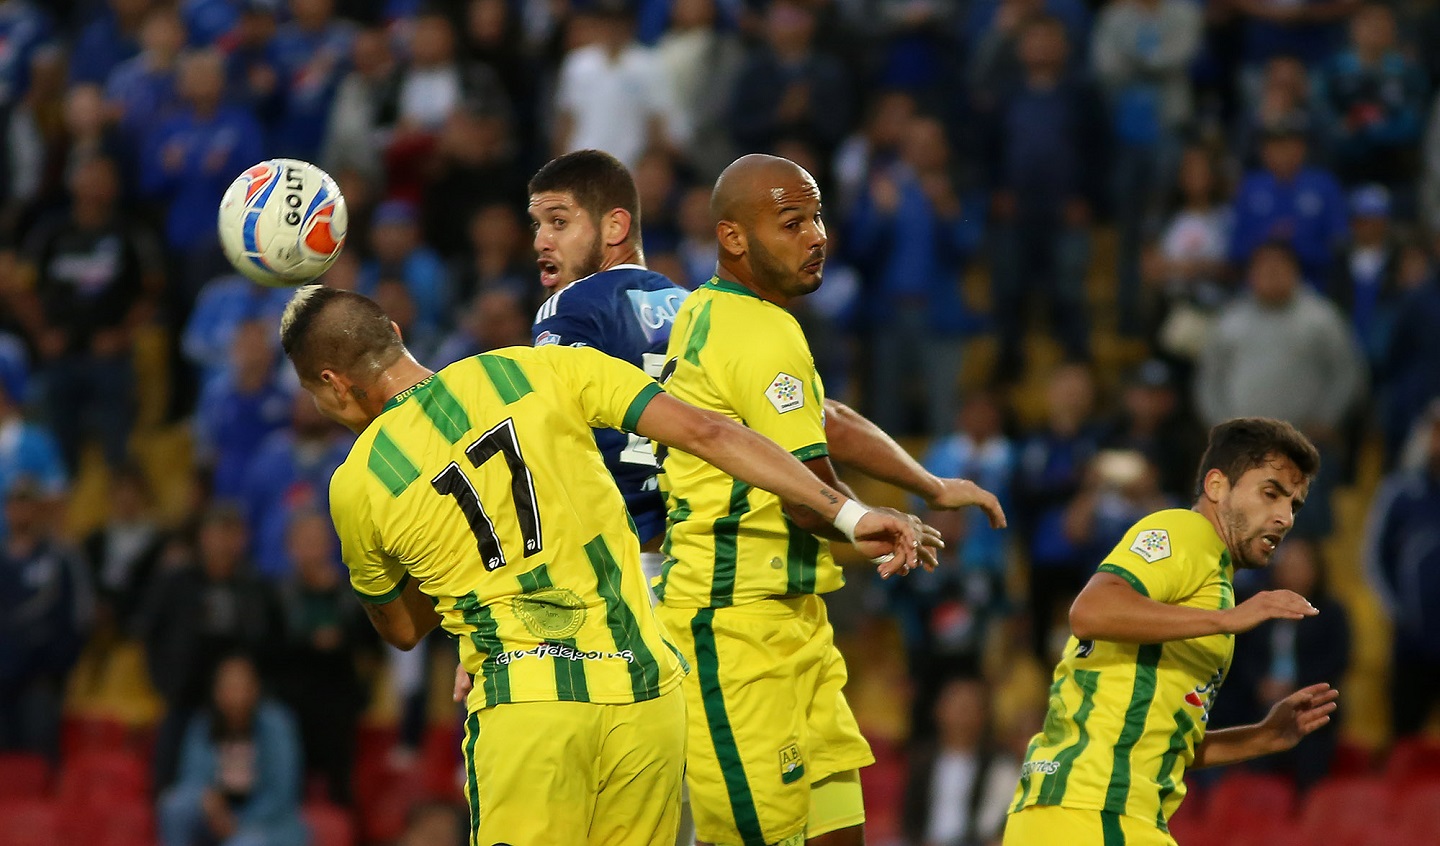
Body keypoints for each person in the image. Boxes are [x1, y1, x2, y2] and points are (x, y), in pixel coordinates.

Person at [278, 284, 934, 844]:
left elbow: (400, 629)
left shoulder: (358, 484)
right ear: (395, 331)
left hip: (527, 704)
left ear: (332, 385)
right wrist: (847, 514)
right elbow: (710, 433)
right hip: (645, 692)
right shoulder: (536, 369)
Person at [654, 154, 1005, 846]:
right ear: (732, 237)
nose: (817, 236)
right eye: (792, 222)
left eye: (817, 217)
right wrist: (878, 523)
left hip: (794, 630)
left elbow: (824, 417)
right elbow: (807, 501)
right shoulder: (761, 331)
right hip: (735, 638)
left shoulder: (713, 309)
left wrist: (927, 485)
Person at [1005, 417, 1339, 845]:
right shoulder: (1186, 533)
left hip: (1097, 813)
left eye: (1294, 505)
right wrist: (1225, 620)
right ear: (1217, 486)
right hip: (1095, 811)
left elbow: (1157, 739)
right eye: (1270, 493)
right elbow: (1090, 609)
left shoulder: (1214, 583)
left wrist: (1260, 737)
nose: (1284, 517)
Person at [158, 652, 308, 846]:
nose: (236, 696)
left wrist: (238, 823)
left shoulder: (277, 725)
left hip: (266, 826)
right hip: (215, 819)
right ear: (216, 692)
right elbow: (190, 778)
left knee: (243, 843)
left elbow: (281, 796)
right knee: (174, 805)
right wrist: (205, 799)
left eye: (241, 687)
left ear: (255, 689)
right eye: (228, 687)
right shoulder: (203, 724)